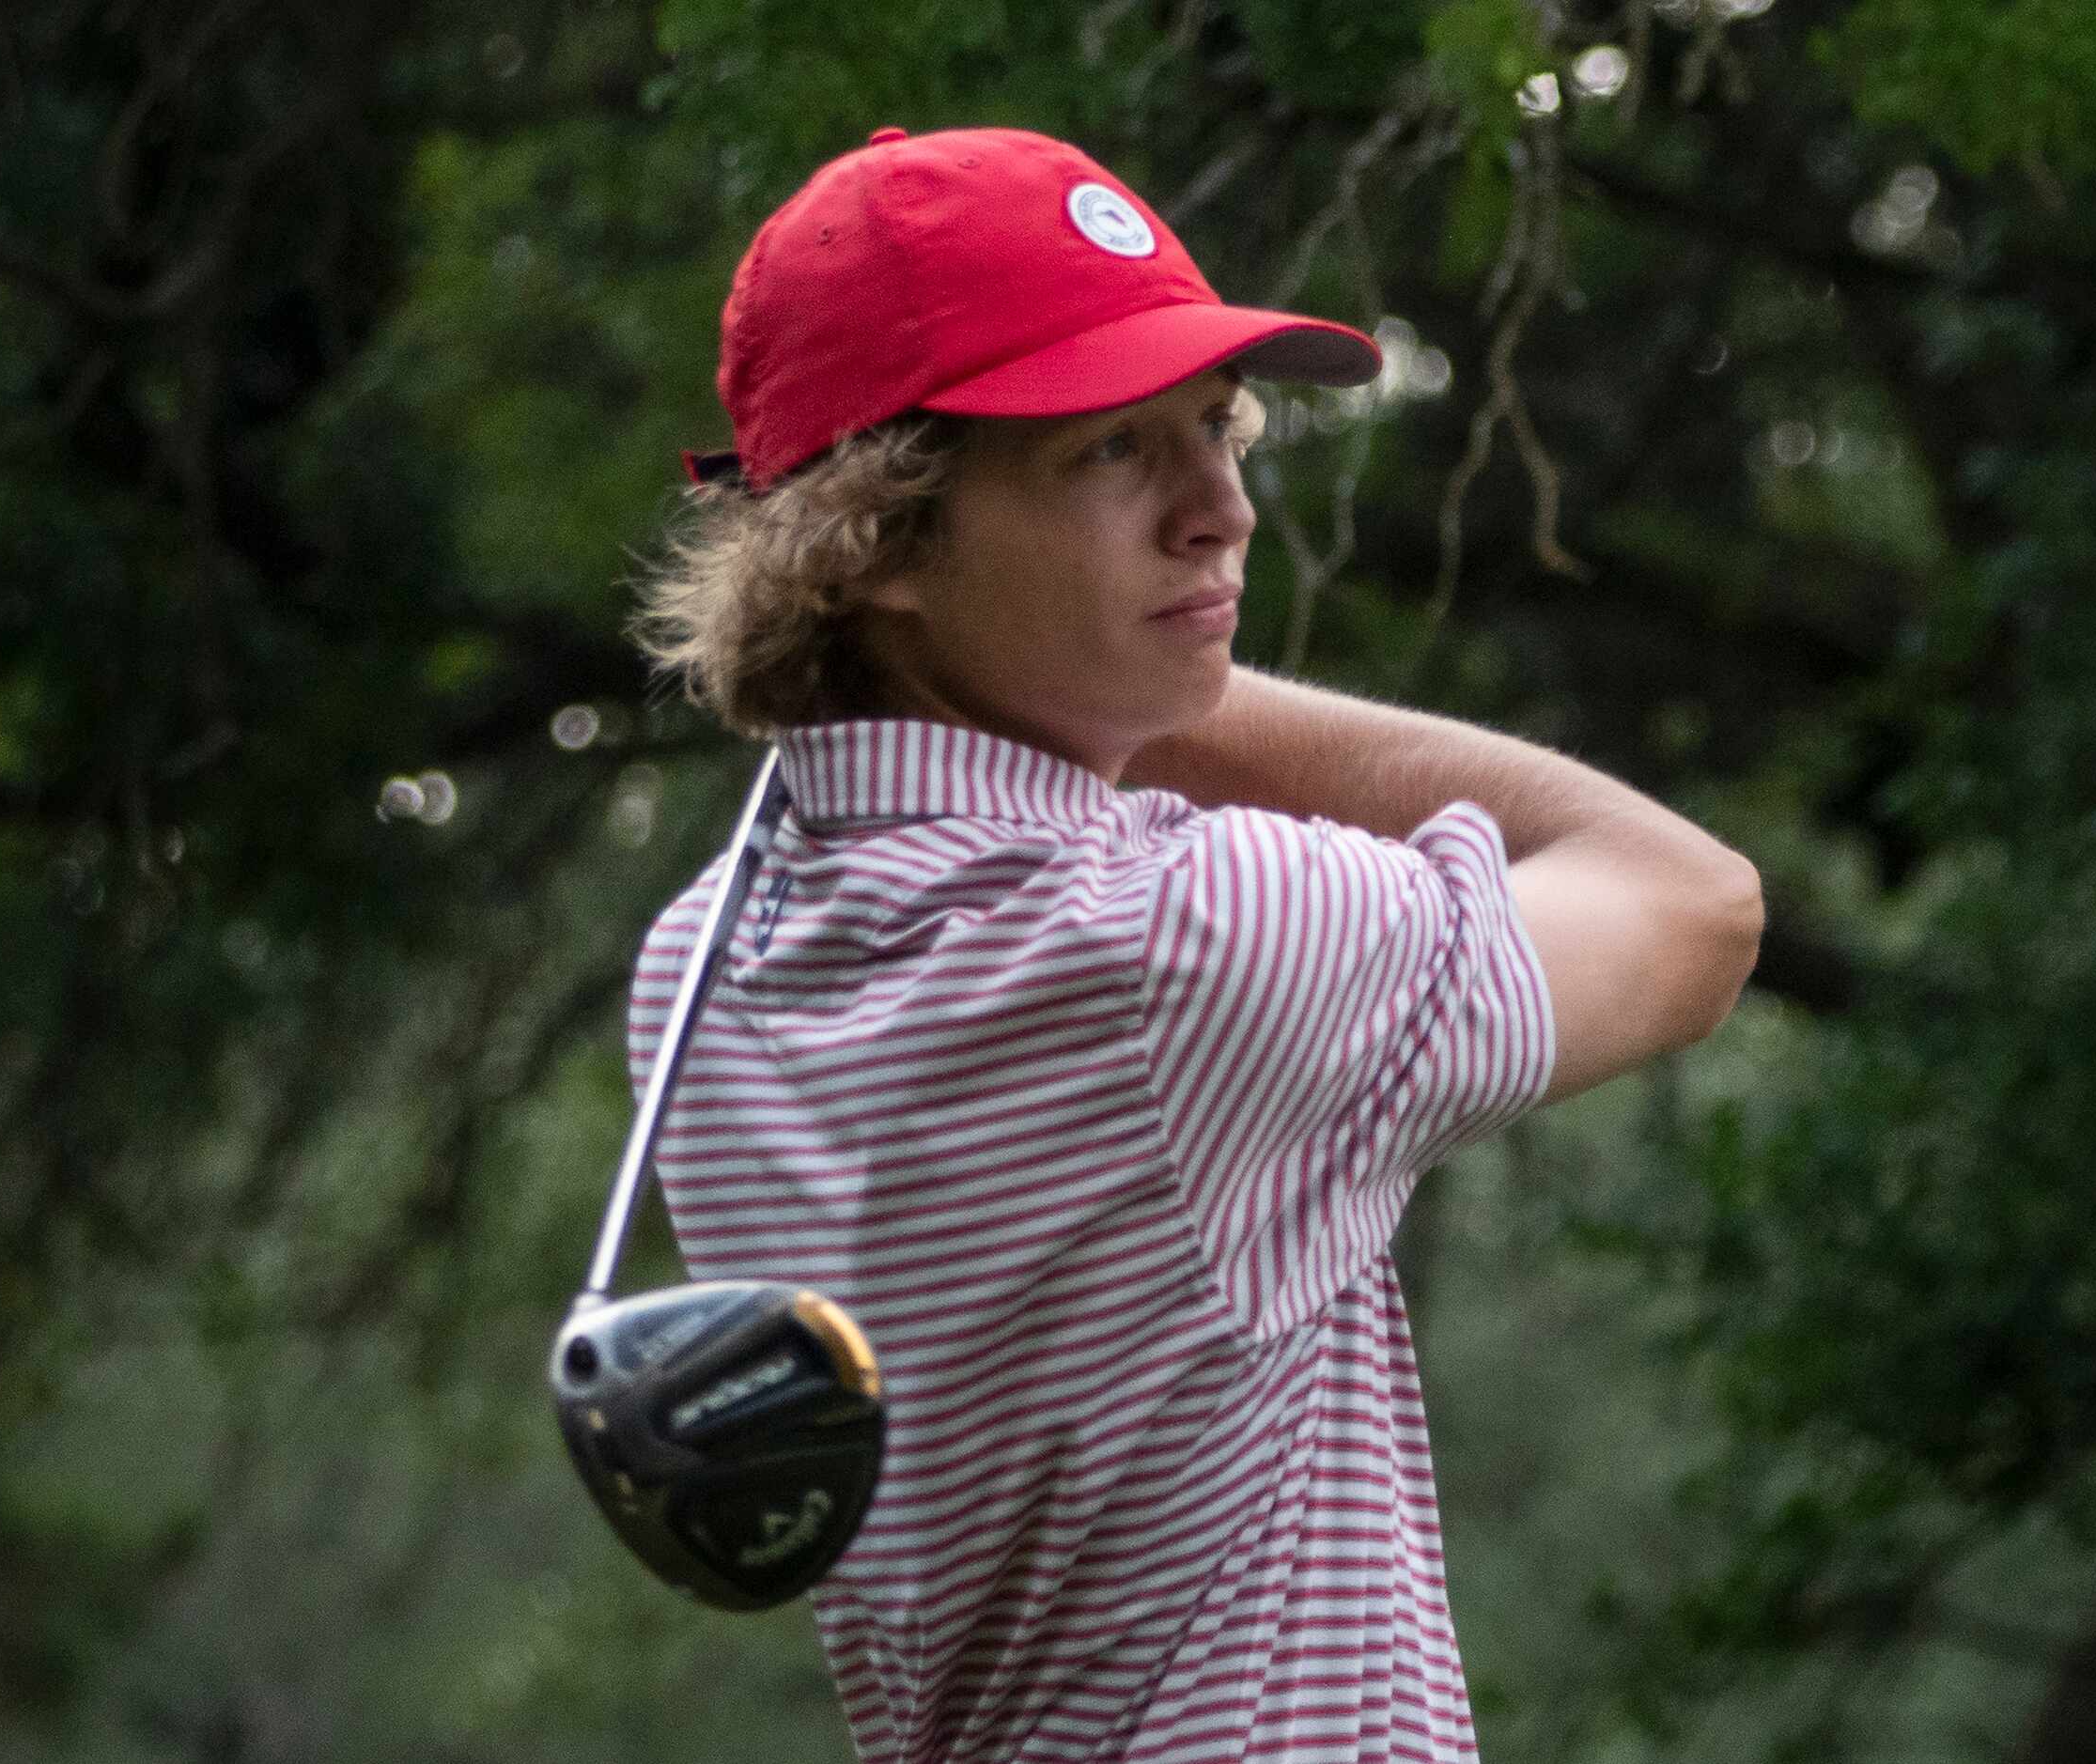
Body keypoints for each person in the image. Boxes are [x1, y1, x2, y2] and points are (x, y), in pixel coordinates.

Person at [624, 126, 1763, 1761]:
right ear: (869, 541)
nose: (1222, 510)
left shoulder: (701, 963)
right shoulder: (1197, 938)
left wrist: (1102, 677)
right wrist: (1172, 695)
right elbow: (1693, 904)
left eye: (1217, 429)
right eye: (1109, 452)